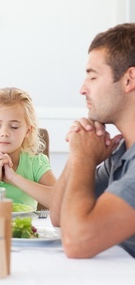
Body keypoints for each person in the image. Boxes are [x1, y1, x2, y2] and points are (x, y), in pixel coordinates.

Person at [50, 23, 135, 258]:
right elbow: (59, 217)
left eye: (93, 77)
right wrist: (79, 152)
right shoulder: (122, 151)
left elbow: (77, 242)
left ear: (129, 79)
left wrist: (84, 157)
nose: (82, 89)